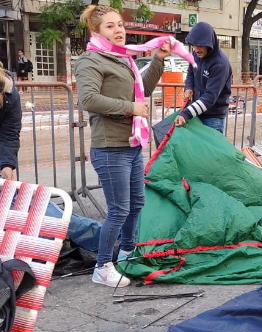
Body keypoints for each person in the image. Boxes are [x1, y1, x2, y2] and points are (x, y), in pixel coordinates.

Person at [74, 4, 172, 288]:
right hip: (109, 147)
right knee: (119, 209)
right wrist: (131, 108)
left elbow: (145, 89)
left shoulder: (122, 59)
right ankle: (102, 266)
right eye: (110, 26)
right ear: (96, 31)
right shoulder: (90, 60)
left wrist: (158, 60)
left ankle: (127, 253)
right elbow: (88, 100)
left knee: (136, 204)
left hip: (131, 144)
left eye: (120, 24)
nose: (118, 30)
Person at [175, 22, 232, 134]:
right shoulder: (196, 54)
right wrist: (189, 87)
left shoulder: (220, 64)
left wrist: (186, 114)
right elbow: (190, 72)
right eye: (194, 45)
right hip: (197, 113)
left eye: (200, 45)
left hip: (213, 118)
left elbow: (210, 97)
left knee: (211, 151)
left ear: (209, 44)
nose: (196, 49)